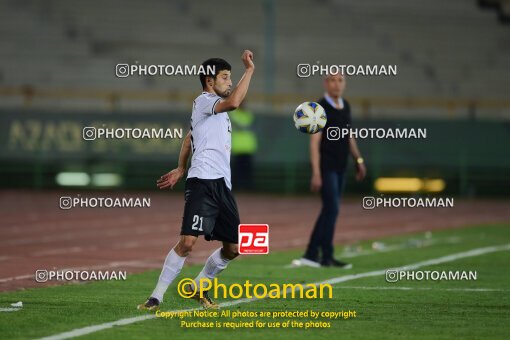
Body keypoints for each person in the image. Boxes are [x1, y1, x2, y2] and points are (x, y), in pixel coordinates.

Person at [138, 50, 255, 311]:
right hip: (202, 181)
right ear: (210, 81)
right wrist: (249, 71)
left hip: (223, 185)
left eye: (231, 77)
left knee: (234, 248)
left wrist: (180, 167)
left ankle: (199, 286)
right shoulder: (204, 101)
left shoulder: (217, 112)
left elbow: (189, 138)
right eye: (225, 77)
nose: (229, 82)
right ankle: (156, 296)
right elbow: (235, 101)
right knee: (188, 242)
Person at [295, 73, 366, 268]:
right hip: (326, 167)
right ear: (326, 83)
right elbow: (314, 142)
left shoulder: (346, 106)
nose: (337, 84)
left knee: (330, 210)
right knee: (332, 209)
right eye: (332, 80)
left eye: (340, 80)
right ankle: (320, 255)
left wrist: (358, 160)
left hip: (341, 165)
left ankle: (316, 255)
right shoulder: (319, 108)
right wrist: (316, 172)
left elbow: (349, 135)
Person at [230, 102, 258, 190]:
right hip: (237, 147)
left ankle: (248, 188)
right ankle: (235, 188)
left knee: (247, 170)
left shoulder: (248, 114)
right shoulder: (233, 114)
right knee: (236, 170)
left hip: (248, 147)